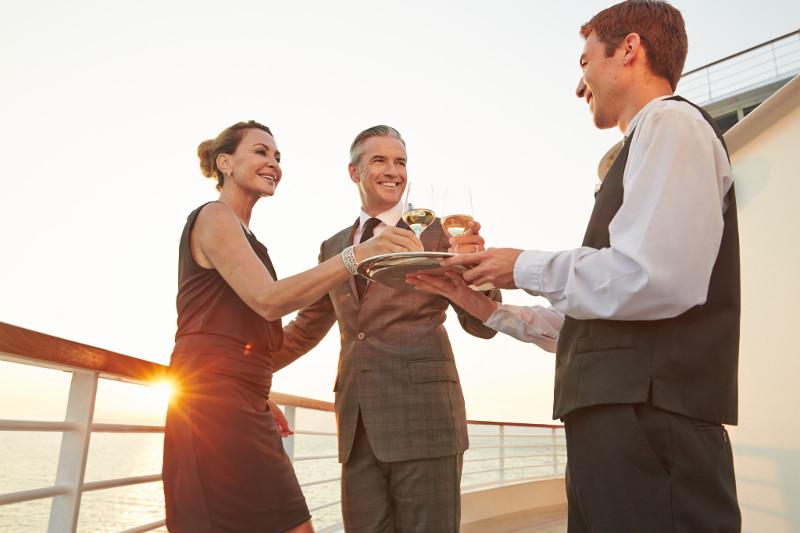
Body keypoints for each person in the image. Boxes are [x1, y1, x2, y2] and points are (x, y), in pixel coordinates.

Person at [408, 1, 742, 531]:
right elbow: (602, 324)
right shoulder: (649, 143)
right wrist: (480, 304)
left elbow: (655, 279)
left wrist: (521, 264)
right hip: (619, 430)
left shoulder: (673, 125)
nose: (579, 83)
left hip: (650, 431)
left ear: (629, 49)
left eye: (584, 61)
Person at [162, 120, 422, 533]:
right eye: (261, 152)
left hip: (242, 397)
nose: (273, 163)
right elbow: (269, 301)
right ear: (225, 162)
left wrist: (256, 389)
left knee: (288, 523)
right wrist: (357, 256)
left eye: (278, 157)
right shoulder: (213, 217)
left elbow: (247, 330)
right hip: (212, 403)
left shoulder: (249, 238)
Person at [269, 125, 501, 532]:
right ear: (354, 172)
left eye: (401, 162)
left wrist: (481, 273)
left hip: (427, 420)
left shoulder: (439, 231)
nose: (393, 171)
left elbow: (483, 326)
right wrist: (245, 372)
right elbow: (307, 327)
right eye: (379, 160)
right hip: (357, 428)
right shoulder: (334, 247)